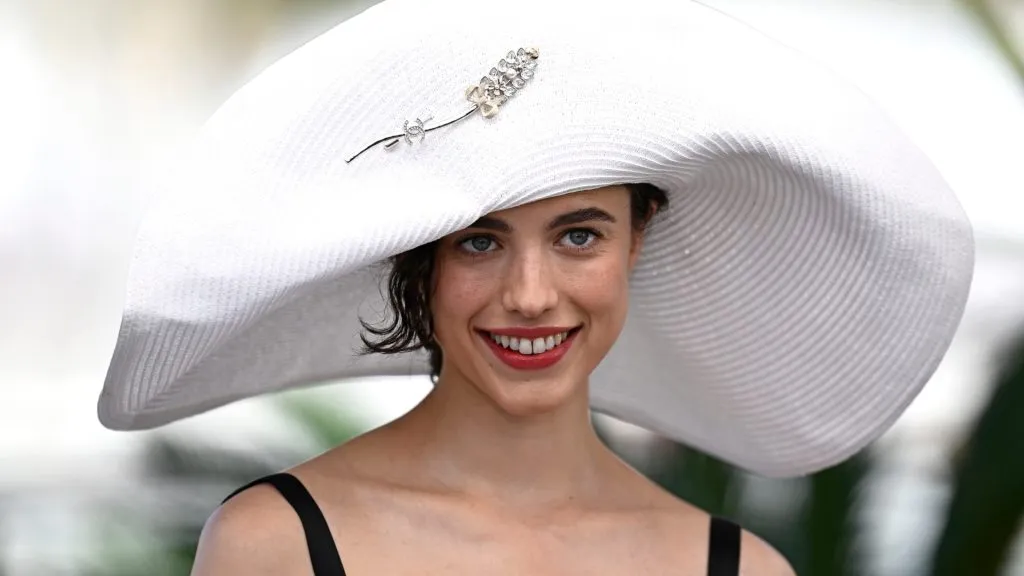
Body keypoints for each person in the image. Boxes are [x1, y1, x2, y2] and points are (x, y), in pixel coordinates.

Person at [96, 0, 974, 573]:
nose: (529, 294)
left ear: (639, 241)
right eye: (480, 242)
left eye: (578, 235)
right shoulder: (275, 544)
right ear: (420, 261)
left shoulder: (737, 568)